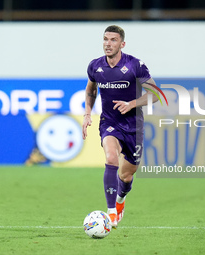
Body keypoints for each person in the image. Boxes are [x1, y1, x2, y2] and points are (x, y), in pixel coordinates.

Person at [82, 25, 158, 228]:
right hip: (109, 122)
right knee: (111, 157)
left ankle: (120, 200)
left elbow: (155, 94)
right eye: (105, 39)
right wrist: (88, 113)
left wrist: (131, 104)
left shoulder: (135, 65)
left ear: (122, 44)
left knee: (127, 174)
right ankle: (111, 213)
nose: (108, 43)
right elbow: (91, 90)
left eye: (113, 40)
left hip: (134, 126)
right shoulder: (95, 66)